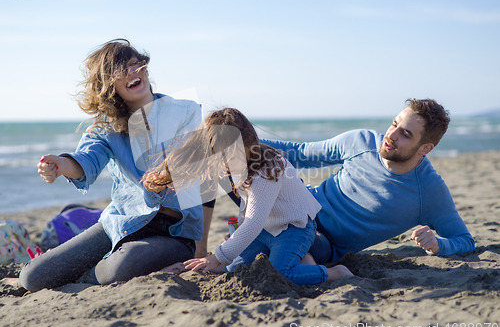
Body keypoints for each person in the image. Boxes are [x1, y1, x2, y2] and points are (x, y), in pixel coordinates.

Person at [19, 39, 205, 291]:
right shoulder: (107, 127)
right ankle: (100, 269)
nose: (131, 73)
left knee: (121, 267)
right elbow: (87, 160)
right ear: (109, 85)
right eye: (120, 72)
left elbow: (195, 170)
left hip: (173, 232)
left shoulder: (186, 112)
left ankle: (93, 274)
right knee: (33, 277)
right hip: (122, 223)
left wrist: (201, 248)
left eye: (134, 65)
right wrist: (61, 165)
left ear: (145, 68)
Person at [142, 108, 354, 285]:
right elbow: (249, 205)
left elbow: (254, 221)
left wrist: (217, 255)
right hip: (266, 229)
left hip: (294, 227)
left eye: (233, 156)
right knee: (234, 267)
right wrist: (163, 178)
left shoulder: (266, 170)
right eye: (221, 157)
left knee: (280, 273)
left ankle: (334, 273)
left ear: (250, 145)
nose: (227, 164)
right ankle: (302, 262)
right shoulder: (234, 162)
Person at [259, 98, 475, 264]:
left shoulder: (429, 191)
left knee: (282, 243)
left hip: (324, 242)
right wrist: (245, 141)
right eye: (394, 124)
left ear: (425, 148)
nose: (391, 135)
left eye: (406, 134)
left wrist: (438, 245)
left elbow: (464, 240)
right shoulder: (361, 141)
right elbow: (299, 153)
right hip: (300, 206)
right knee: (236, 166)